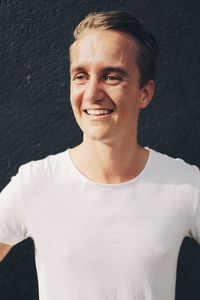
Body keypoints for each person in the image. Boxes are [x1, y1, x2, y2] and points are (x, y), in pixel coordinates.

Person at [0, 10, 199, 300]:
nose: (92, 93)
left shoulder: (186, 186)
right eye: (80, 76)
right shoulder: (35, 183)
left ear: (145, 93)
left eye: (112, 76)